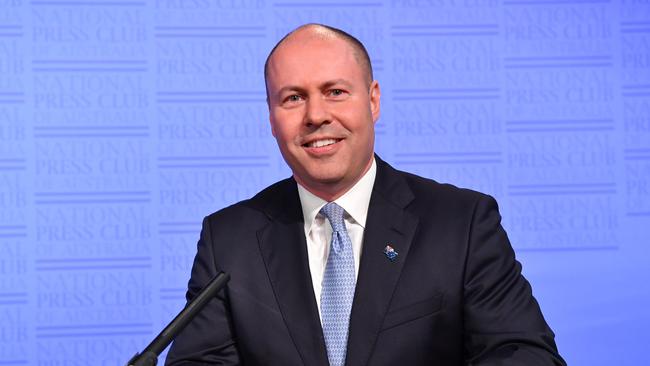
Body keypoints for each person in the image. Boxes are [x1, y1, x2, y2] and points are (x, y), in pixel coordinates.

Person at [165, 24, 565, 366]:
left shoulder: (461, 223)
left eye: (335, 92)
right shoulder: (229, 240)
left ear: (373, 101)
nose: (316, 115)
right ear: (271, 117)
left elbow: (525, 355)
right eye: (293, 98)